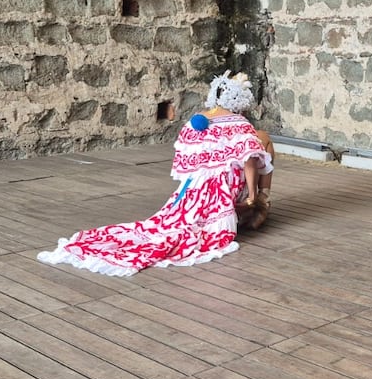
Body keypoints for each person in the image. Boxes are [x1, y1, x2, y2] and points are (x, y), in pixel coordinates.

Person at [38, 71, 274, 275]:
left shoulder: (197, 122)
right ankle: (262, 200)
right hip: (222, 189)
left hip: (193, 190)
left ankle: (247, 207)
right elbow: (249, 162)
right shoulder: (240, 124)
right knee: (263, 142)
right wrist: (251, 196)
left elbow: (185, 164)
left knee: (166, 226)